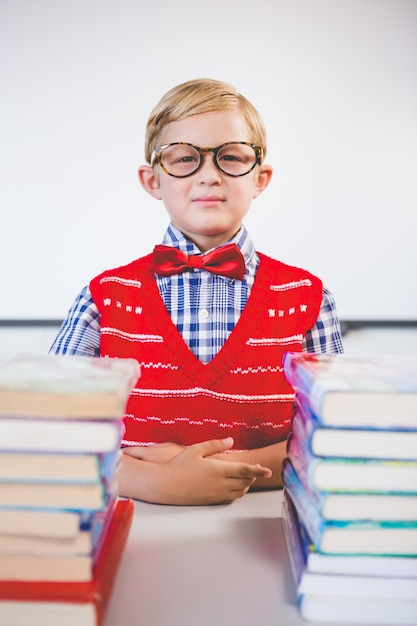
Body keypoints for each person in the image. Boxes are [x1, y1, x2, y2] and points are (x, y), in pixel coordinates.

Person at [50, 78, 344, 506]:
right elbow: (52, 431)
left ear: (260, 178)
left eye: (231, 157)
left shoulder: (309, 297)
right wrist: (153, 482)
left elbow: (333, 433)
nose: (210, 175)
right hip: (136, 531)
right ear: (152, 180)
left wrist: (211, 471)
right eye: (185, 158)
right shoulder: (103, 298)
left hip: (267, 529)